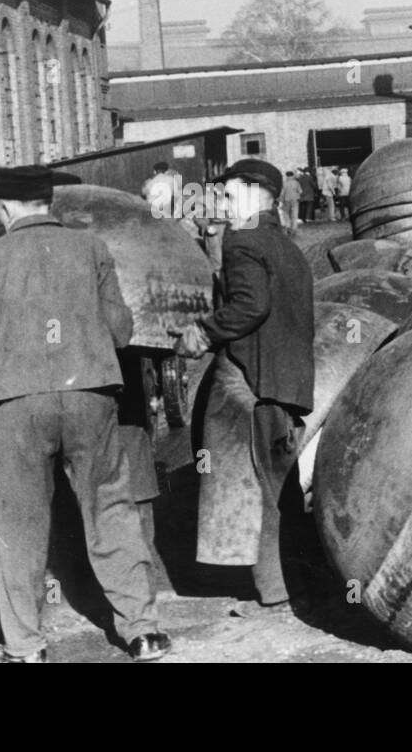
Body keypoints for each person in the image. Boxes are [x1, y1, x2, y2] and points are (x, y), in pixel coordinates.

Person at [0, 164, 170, 664]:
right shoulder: (92, 248)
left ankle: (27, 647)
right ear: (49, 203)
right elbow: (121, 331)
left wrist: (14, 368)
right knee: (109, 509)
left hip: (18, 404)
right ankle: (142, 633)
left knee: (21, 524)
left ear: (6, 208)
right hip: (91, 396)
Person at [173, 158, 315, 613]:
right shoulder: (286, 245)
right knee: (282, 485)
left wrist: (203, 331)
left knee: (259, 489)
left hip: (253, 380)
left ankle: (274, 590)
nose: (224, 205)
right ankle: (298, 581)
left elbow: (250, 306)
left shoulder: (244, 238)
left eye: (231, 196)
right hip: (287, 380)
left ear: (258, 194)